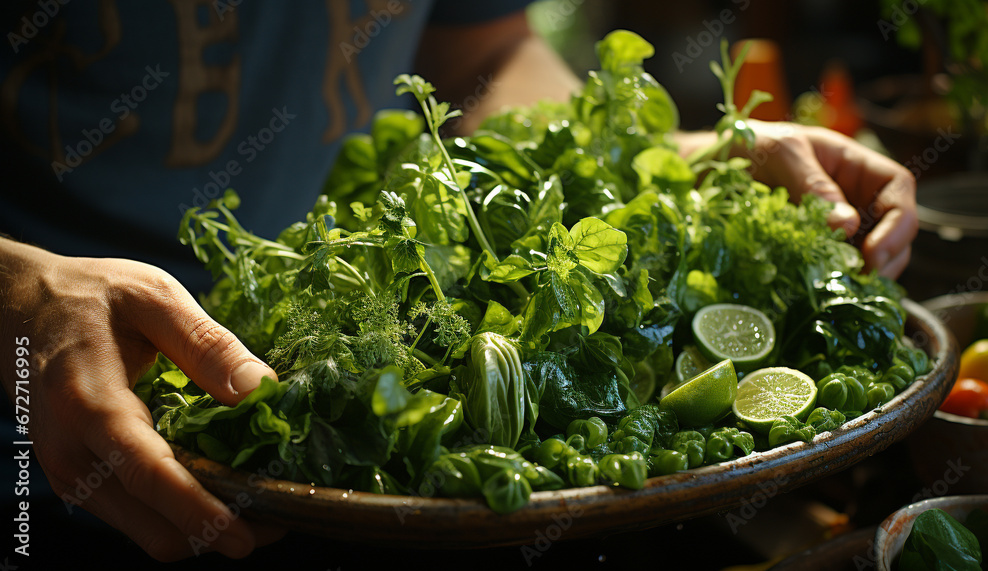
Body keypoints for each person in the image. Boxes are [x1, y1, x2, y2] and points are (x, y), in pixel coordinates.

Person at [0, 1, 916, 562]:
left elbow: (483, 61)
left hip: (343, 402)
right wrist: (18, 289)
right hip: (39, 445)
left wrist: (669, 159)